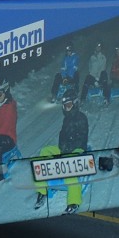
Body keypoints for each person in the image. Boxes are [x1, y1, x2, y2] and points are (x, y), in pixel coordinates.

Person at [34, 86, 90, 214]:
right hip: (64, 150)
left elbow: (81, 139)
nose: (66, 108)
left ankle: (74, 201)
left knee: (69, 167)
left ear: (75, 103)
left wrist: (67, 151)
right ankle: (42, 191)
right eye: (64, 105)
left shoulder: (82, 118)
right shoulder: (66, 119)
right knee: (44, 152)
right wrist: (61, 150)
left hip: (78, 150)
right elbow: (62, 137)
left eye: (69, 104)